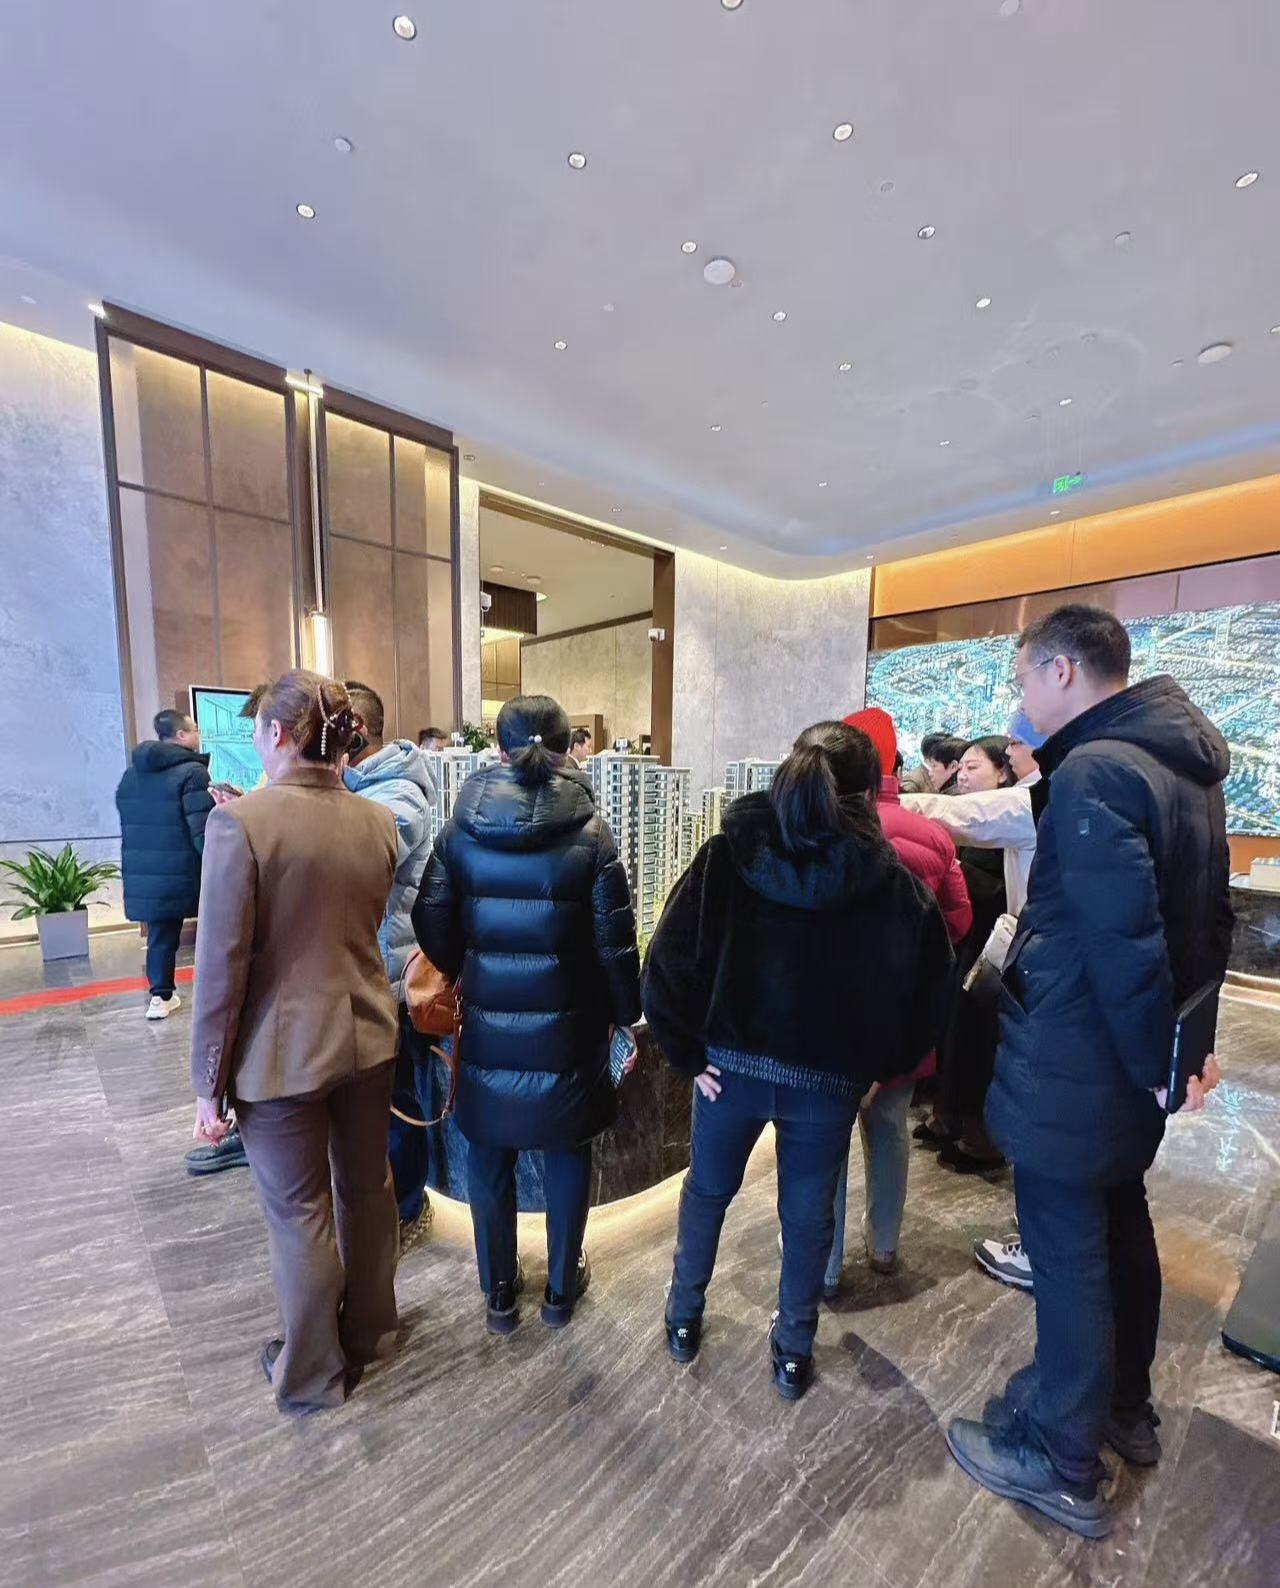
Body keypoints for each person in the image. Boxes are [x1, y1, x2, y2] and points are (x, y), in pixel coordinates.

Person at [945, 604, 1232, 1539]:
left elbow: (1124, 938)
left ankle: (1061, 1460)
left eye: (1023, 676)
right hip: (1127, 1058)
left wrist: (1153, 1062)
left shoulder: (1097, 770)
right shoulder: (1182, 768)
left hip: (1080, 1058)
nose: (1020, 698)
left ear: (1062, 670)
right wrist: (1180, 1053)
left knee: (1066, 1250)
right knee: (1119, 1221)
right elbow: (1208, 924)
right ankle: (1124, 1411)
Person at [643, 721, 955, 1400]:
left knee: (707, 1194)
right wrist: (880, 1066)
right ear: (870, 793)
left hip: (728, 1073)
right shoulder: (890, 882)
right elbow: (932, 991)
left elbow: (667, 961)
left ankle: (683, 1317)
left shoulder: (729, 855)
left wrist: (686, 1052)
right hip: (827, 1084)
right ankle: (792, 1352)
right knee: (808, 1218)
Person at [189, 670, 401, 1413]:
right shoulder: (379, 822)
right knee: (368, 1191)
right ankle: (373, 1333)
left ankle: (311, 1373)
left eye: (256, 728)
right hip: (369, 1036)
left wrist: (207, 1084)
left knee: (299, 1211)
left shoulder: (241, 824)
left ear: (276, 733)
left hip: (280, 1057)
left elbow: (221, 967)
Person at [412, 694, 640, 1336]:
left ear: (499, 747)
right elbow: (615, 942)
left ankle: (499, 1295)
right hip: (570, 1029)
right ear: (568, 748)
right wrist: (626, 1014)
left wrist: (471, 964)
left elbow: (430, 919)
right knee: (568, 1151)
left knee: (489, 1155)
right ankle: (561, 1291)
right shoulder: (593, 832)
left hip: (488, 1024)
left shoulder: (462, 827)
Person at [817, 709, 972, 1292]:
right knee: (889, 1126)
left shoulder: (820, 832)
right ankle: (883, 1245)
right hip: (905, 1015)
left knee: (826, 1137)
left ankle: (825, 1264)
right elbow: (958, 920)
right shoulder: (932, 834)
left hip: (835, 1018)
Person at [903, 707, 1047, 1285]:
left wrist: (886, 804)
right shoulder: (1049, 794)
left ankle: (1041, 1242)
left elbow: (963, 817)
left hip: (1038, 961)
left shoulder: (1040, 798)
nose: (1011, 749)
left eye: (1016, 741)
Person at [342, 681, 440, 1251]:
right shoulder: (358, 788)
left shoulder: (400, 791)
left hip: (392, 982)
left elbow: (363, 858)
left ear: (355, 732)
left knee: (399, 1105)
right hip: (360, 976)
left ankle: (409, 1207)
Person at [916, 736, 1013, 1171]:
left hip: (991, 945)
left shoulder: (1011, 819)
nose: (964, 776)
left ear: (1002, 772)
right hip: (960, 942)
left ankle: (979, 1137)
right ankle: (947, 1117)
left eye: (974, 768)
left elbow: (1001, 890)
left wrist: (953, 871)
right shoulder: (964, 816)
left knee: (976, 1038)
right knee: (950, 1030)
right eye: (962, 767)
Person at [115, 708, 213, 1022]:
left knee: (160, 935)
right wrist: (219, 863)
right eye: (195, 729)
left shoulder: (132, 774)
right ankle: (217, 995)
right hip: (186, 869)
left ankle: (160, 997)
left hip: (146, 870)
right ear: (181, 735)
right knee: (216, 929)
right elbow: (202, 829)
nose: (198, 735)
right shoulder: (193, 773)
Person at [900, 732, 967, 795]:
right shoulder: (911, 781)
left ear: (953, 766)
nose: (930, 773)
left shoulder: (958, 793)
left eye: (934, 766)